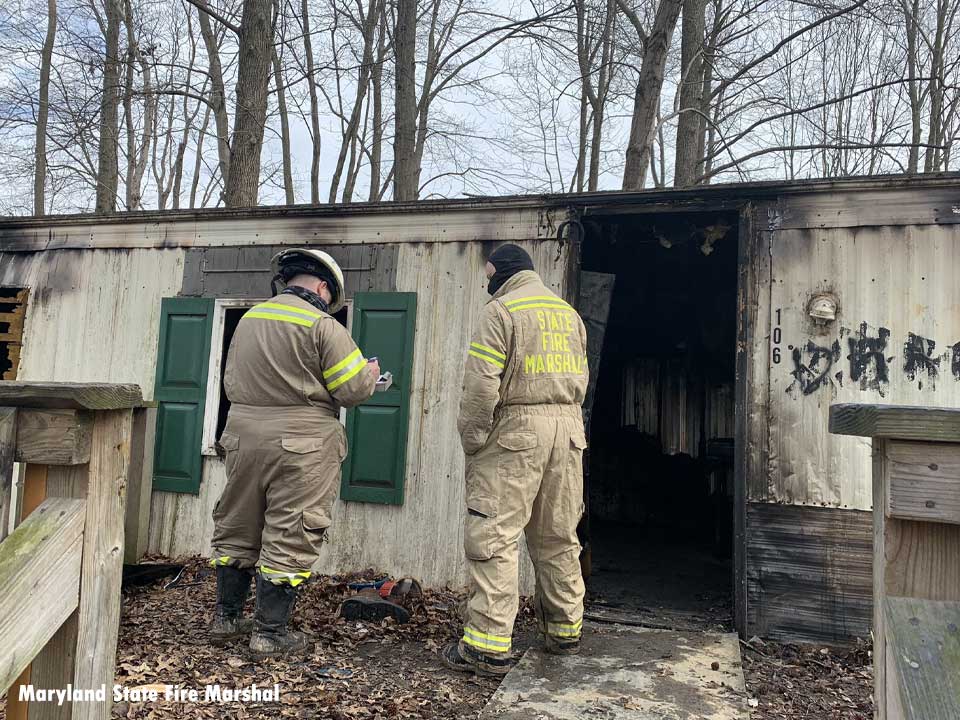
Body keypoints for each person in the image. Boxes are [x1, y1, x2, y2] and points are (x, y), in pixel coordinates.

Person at [208, 248, 379, 659]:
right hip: (302, 442)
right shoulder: (322, 325)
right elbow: (351, 390)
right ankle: (269, 633)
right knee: (291, 529)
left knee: (238, 524)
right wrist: (371, 375)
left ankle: (226, 620)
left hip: (243, 435)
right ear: (324, 286)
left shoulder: (250, 319)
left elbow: (232, 377)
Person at [444, 244, 589, 676]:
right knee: (558, 535)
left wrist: (474, 440)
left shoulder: (501, 311)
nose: (488, 283)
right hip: (567, 432)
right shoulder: (569, 314)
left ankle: (487, 645)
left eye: (489, 275)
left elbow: (480, 388)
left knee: (495, 535)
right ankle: (564, 629)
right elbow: (581, 376)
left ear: (502, 273)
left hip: (517, 432)